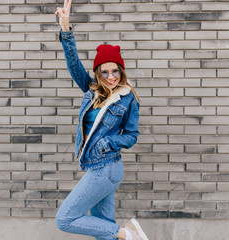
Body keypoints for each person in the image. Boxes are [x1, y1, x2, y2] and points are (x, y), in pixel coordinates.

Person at [54, 1, 149, 240]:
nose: (110, 77)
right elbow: (73, 64)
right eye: (104, 72)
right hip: (98, 167)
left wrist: (107, 143)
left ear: (121, 71)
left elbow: (132, 135)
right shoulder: (91, 90)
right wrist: (66, 30)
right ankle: (120, 233)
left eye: (115, 71)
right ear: (98, 73)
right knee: (101, 229)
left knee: (65, 218)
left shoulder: (128, 99)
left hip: (107, 167)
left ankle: (127, 233)